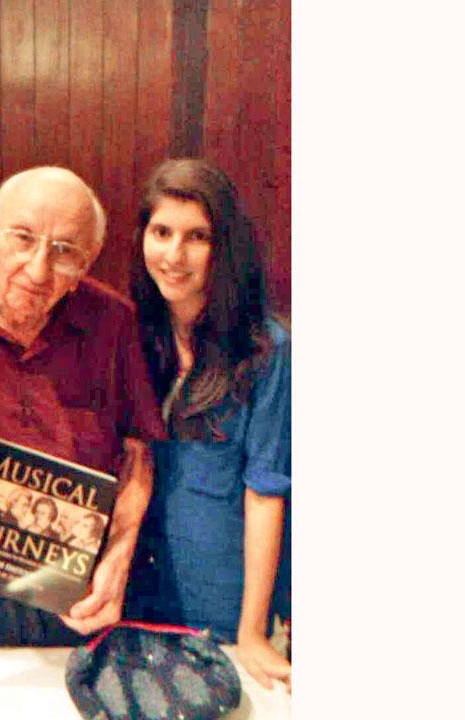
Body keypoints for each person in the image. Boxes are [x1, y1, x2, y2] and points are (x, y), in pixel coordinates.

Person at [0, 166, 167, 646]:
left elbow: (138, 452)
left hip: (79, 548)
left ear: (88, 263)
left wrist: (120, 554)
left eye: (65, 252)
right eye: (22, 238)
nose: (39, 270)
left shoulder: (114, 322)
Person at [124, 158, 293, 689]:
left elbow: (265, 491)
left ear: (225, 248)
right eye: (162, 232)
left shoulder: (267, 350)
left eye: (197, 236)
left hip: (219, 590)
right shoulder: (129, 332)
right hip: (137, 584)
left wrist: (251, 631)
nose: (174, 255)